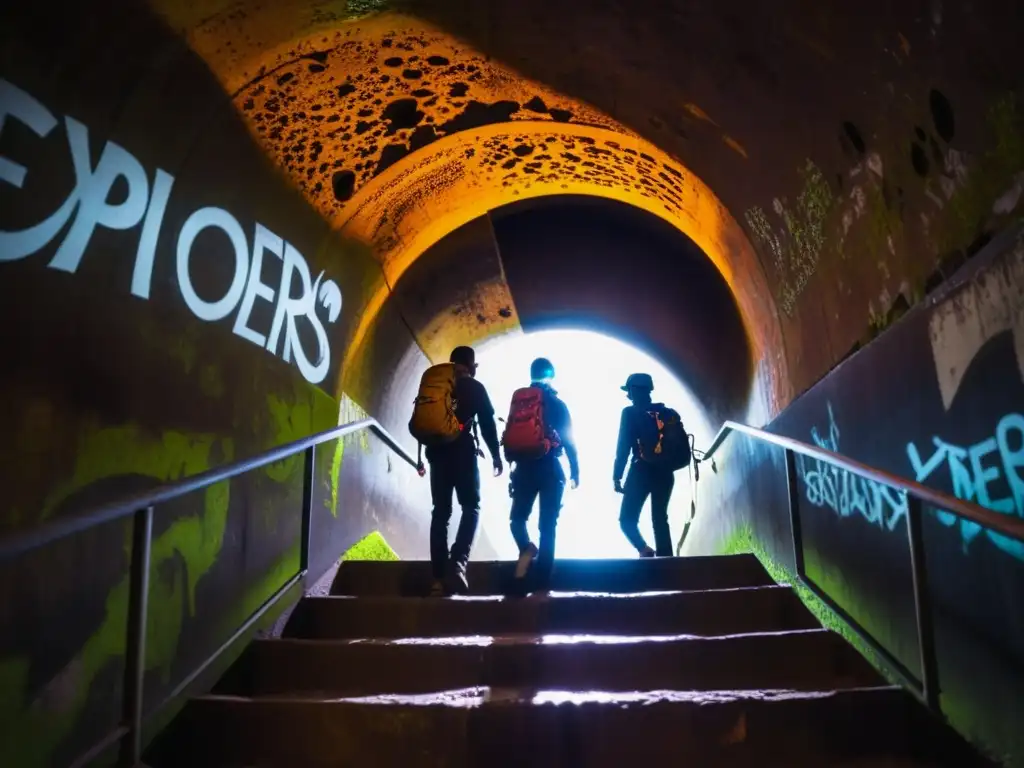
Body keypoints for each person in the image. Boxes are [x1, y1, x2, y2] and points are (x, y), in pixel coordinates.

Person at [423, 346, 503, 596]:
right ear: (472, 366)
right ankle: (457, 563)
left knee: (441, 512)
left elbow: (424, 416)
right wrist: (496, 456)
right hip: (462, 454)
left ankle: (437, 579)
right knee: (471, 506)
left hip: (437, 453)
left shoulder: (437, 383)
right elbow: (488, 425)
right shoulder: (474, 387)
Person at [505, 357, 580, 596]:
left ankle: (526, 548)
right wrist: (575, 470)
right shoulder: (557, 403)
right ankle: (542, 580)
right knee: (547, 525)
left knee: (517, 519)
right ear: (551, 376)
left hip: (524, 468)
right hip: (549, 468)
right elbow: (568, 440)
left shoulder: (519, 403)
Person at [613, 372, 679, 557]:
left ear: (633, 391)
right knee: (660, 519)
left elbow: (623, 446)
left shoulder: (629, 413)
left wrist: (617, 476)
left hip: (641, 471)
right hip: (665, 472)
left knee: (627, 520)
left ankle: (644, 549)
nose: (627, 395)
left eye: (628, 391)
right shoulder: (667, 413)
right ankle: (667, 563)